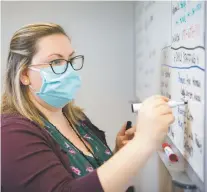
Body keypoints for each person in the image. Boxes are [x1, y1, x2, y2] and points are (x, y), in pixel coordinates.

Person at [1, 23, 174, 192]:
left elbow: (89, 178)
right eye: (55, 61)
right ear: (24, 75)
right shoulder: (11, 133)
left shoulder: (76, 118)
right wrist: (145, 141)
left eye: (70, 59)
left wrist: (118, 154)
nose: (68, 69)